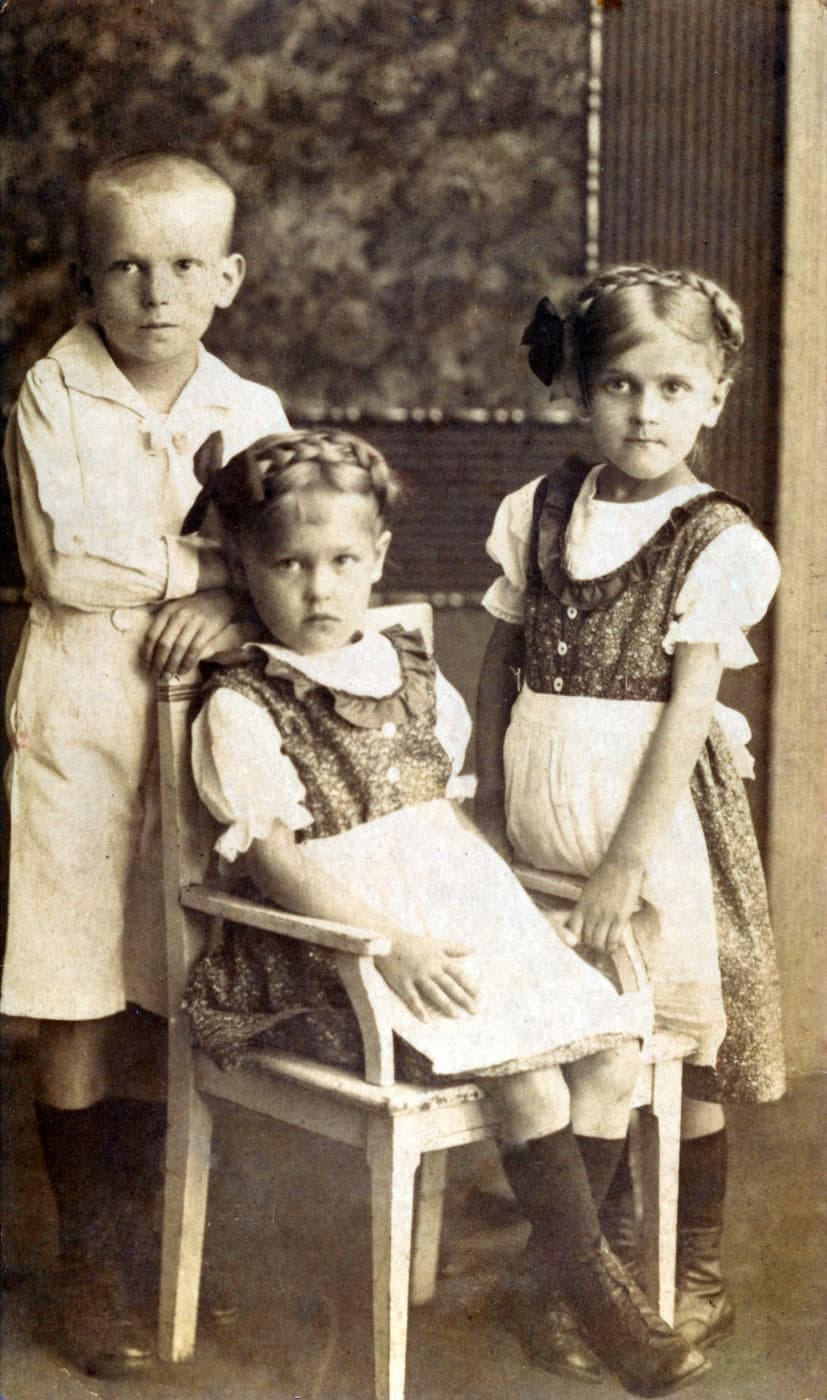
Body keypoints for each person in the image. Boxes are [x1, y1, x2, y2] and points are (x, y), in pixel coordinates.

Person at [180, 426, 710, 1395]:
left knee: (608, 1052)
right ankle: (598, 1298)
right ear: (242, 566)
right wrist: (389, 946)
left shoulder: (409, 672)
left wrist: (503, 920)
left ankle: (546, 1282)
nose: (318, 587)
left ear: (377, 557)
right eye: (288, 563)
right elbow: (277, 866)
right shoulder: (242, 703)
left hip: (445, 909)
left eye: (342, 561)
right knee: (533, 1085)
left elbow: (448, 826)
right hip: (333, 953)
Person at [2, 151, 290, 1376]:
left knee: (165, 984)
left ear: (226, 275)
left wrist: (238, 606)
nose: (155, 292)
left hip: (198, 725)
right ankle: (85, 1265)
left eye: (183, 265)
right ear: (87, 273)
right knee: (75, 982)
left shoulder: (254, 408)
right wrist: (211, 572)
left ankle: (154, 1252)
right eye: (126, 264)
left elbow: (295, 555)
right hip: (78, 712)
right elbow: (69, 564)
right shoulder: (51, 393)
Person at [476, 264, 786, 1357]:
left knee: (678, 1044)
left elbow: (683, 716)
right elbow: (499, 660)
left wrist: (623, 861)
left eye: (669, 386)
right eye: (617, 384)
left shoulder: (718, 539)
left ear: (712, 396)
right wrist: (489, 802)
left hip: (645, 827)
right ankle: (575, 1263)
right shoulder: (540, 507)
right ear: (578, 389)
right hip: (537, 817)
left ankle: (683, 1267)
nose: (642, 411)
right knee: (572, 1033)